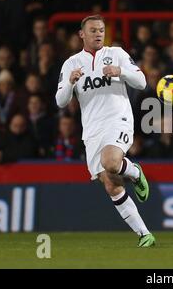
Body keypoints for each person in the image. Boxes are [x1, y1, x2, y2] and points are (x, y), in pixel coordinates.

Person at [55, 15, 155, 247]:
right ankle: (144, 234)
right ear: (82, 34)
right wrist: (70, 82)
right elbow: (61, 101)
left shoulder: (117, 54)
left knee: (111, 162)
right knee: (111, 184)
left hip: (118, 120)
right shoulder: (71, 63)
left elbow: (141, 82)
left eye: (101, 30)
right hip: (92, 130)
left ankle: (136, 173)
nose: (98, 34)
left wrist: (120, 71)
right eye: (93, 30)